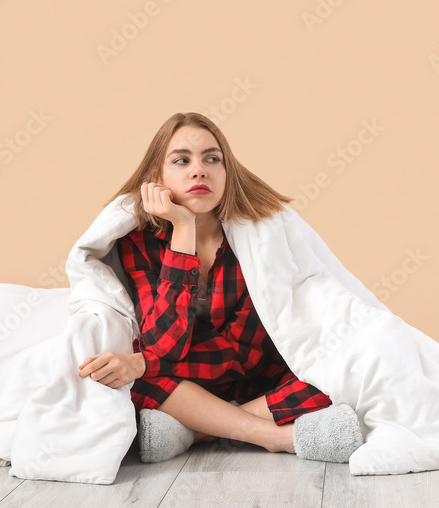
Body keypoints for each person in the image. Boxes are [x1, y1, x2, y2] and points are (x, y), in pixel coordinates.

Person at [76, 112, 363, 463]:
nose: (199, 170)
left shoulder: (257, 236)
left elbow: (240, 357)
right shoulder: (136, 241)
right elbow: (164, 347)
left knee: (339, 377)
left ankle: (196, 431)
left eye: (212, 159)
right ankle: (274, 438)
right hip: (180, 378)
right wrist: (183, 228)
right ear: (157, 178)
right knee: (132, 383)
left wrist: (143, 364)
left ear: (226, 173)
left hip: (256, 379)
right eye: (182, 160)